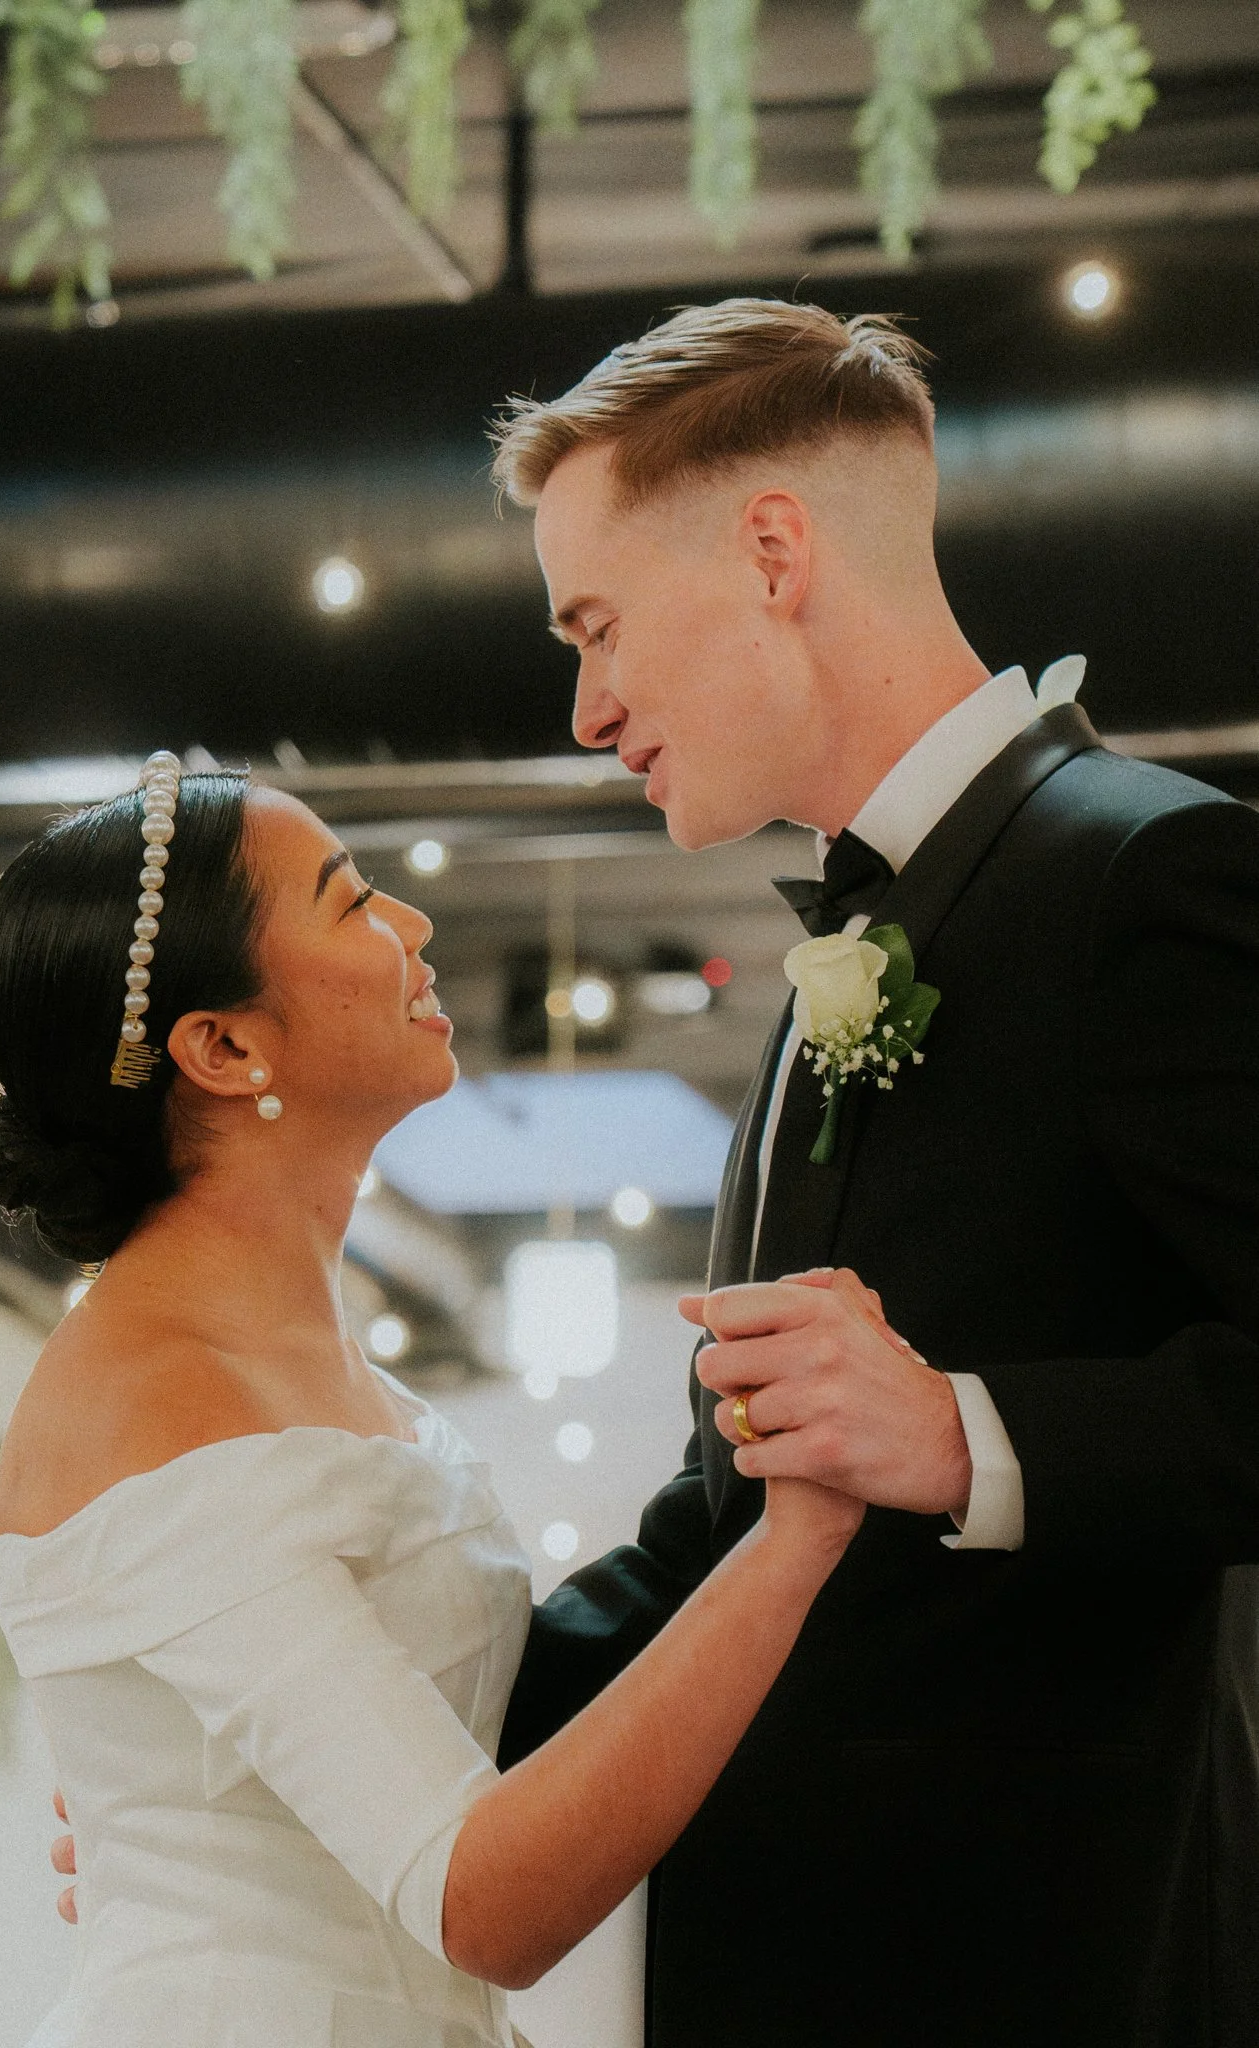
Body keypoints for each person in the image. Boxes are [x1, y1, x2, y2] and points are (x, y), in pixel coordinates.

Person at [488, 299, 1259, 2047]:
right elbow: (723, 1523)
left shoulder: (1153, 878)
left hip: (1053, 1973)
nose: (591, 705)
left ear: (773, 549)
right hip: (782, 1965)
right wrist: (333, 1743)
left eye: (596, 625)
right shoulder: (846, 937)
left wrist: (966, 1433)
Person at [0, 759, 862, 2048]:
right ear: (224, 1047)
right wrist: (797, 1540)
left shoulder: (317, 1365)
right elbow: (483, 1904)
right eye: (353, 901)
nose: (416, 926)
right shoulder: (161, 1395)